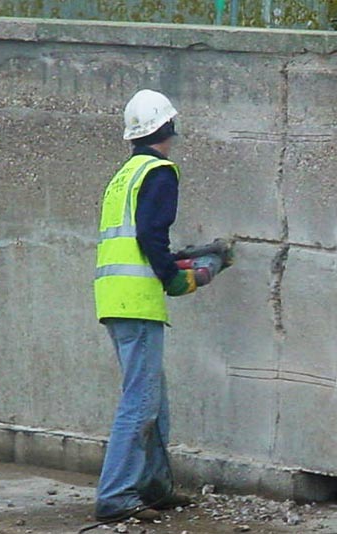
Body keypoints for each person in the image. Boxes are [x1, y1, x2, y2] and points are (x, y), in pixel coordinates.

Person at [92, 89, 224, 523]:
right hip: (137, 301)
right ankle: (115, 497)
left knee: (155, 400)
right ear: (168, 128)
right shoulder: (160, 172)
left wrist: (177, 261)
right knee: (140, 402)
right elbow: (151, 235)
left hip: (115, 298)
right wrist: (177, 276)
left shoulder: (124, 175)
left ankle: (153, 487)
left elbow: (138, 238)